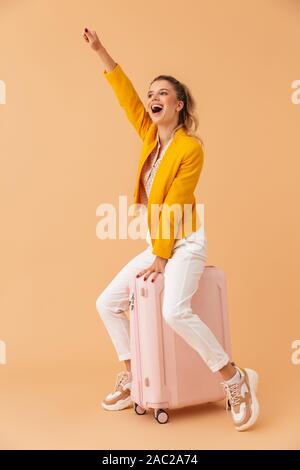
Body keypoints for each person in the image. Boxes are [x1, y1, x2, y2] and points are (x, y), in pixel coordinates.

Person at [83, 28, 260, 431]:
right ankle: (133, 376)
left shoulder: (190, 148)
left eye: (163, 93)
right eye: (151, 94)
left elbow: (179, 202)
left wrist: (163, 256)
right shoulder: (150, 136)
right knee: (107, 303)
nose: (153, 99)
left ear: (179, 105)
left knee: (174, 310)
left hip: (185, 244)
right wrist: (101, 51)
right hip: (158, 244)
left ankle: (234, 378)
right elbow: (126, 97)